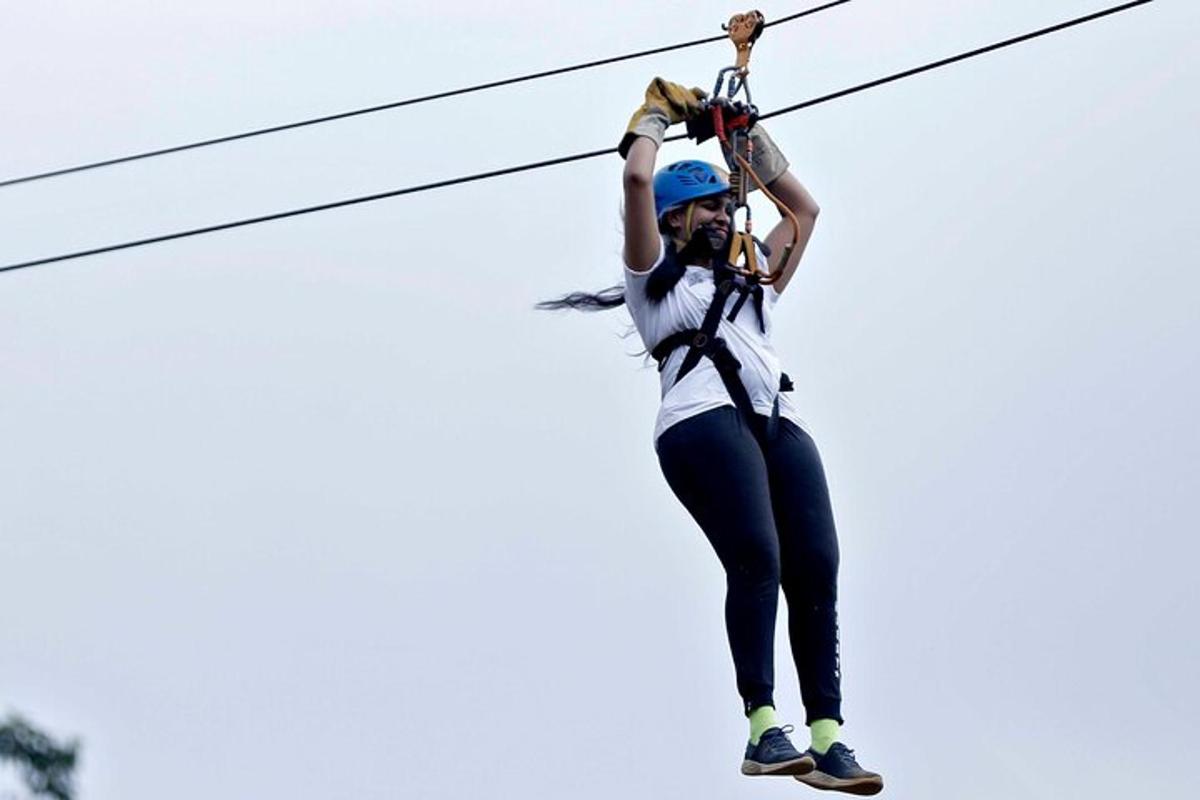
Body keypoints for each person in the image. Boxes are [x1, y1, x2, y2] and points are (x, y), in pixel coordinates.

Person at [539, 78, 883, 795]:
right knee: (756, 556)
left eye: (727, 207)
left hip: (772, 423)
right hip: (700, 425)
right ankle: (762, 724)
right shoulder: (653, 284)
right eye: (709, 209)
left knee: (815, 567)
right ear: (673, 221)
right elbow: (636, 175)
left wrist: (742, 139)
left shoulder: (756, 283)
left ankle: (828, 735)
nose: (725, 219)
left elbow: (803, 210)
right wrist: (660, 116)